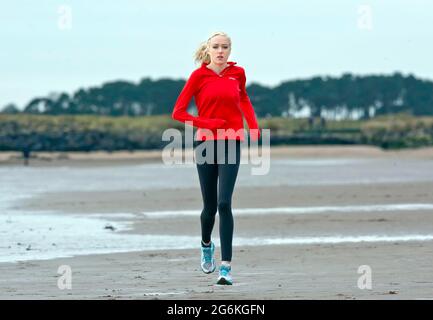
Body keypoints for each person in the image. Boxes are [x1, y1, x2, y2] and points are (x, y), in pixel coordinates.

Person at [171, 31, 261, 285]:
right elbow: (178, 112)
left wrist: (252, 125)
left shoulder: (238, 73)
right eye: (216, 47)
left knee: (224, 203)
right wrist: (205, 122)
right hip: (205, 144)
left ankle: (226, 268)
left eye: (225, 47)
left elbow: (243, 97)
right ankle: (206, 244)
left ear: (230, 50)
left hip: (232, 140)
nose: (220, 51)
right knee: (209, 207)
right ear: (208, 49)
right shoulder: (198, 76)